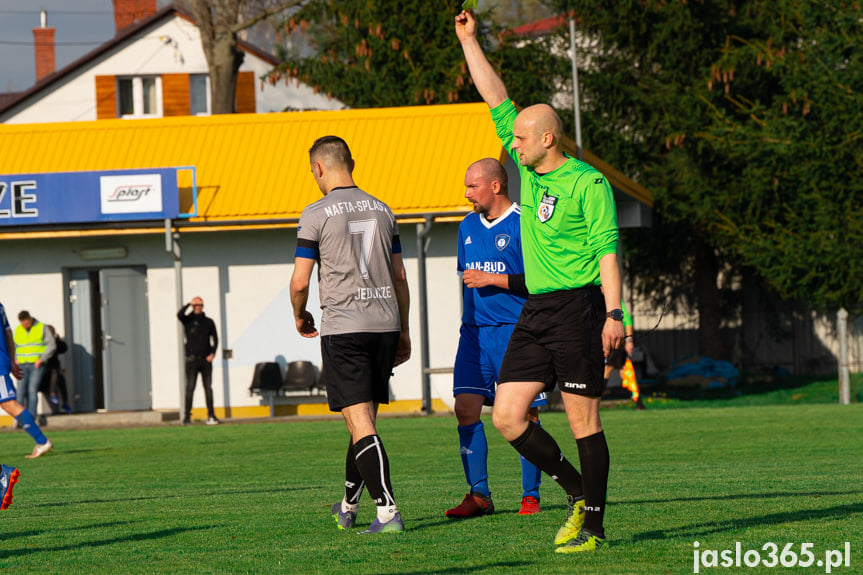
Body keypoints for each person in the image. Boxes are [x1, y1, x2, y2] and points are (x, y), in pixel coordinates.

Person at [455, 10, 625, 554]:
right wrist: (469, 42)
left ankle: (594, 529)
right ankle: (576, 492)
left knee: (583, 422)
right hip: (537, 311)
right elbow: (494, 97)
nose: (514, 143)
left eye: (523, 137)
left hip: (579, 309)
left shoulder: (587, 182)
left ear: (547, 138)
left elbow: (608, 252)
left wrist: (616, 315)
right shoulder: (529, 169)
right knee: (505, 415)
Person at [290, 135, 411, 534]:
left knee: (360, 423)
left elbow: (299, 282)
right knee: (360, 421)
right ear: (352, 163)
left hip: (345, 328)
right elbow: (399, 277)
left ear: (318, 168)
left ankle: (388, 511)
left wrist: (299, 314)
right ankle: (347, 505)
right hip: (385, 324)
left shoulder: (316, 213)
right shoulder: (383, 209)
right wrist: (404, 330)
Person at [446, 158, 547, 519]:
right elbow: (466, 280)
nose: (467, 193)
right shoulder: (467, 226)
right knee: (465, 409)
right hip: (473, 335)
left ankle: (530, 495)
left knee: (524, 414)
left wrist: (493, 280)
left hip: (516, 334)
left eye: (472, 186)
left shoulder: (525, 224)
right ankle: (479, 496)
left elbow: (539, 282)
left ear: (495, 186)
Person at [2, 302, 54, 458]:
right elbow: (9, 334)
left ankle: (42, 441)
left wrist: (11, 361)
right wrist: (12, 360)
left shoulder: (40, 327)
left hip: (9, 365)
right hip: (11, 362)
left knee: (12, 404)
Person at [177, 297, 220, 425]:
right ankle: (187, 417)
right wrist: (188, 305)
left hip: (205, 360)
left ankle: (211, 415)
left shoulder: (208, 322)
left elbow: (215, 339)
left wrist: (213, 353)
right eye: (195, 305)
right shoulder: (188, 320)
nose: (197, 307)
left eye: (200, 305)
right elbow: (179, 314)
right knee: (190, 387)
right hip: (191, 360)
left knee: (208, 388)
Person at [604, 302, 645, 409]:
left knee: (606, 371)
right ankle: (639, 403)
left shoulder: (614, 299)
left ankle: (593, 402)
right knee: (625, 373)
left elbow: (627, 319)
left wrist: (629, 340)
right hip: (609, 343)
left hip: (617, 344)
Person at [39, 324, 71, 414]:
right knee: (55, 372)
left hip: (53, 372)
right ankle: (53, 396)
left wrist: (56, 340)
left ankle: (64, 403)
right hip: (43, 373)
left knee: (60, 380)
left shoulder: (55, 343)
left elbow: (63, 348)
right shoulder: (41, 343)